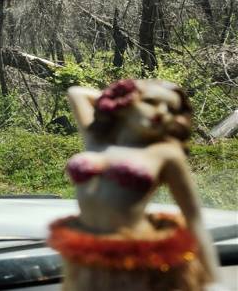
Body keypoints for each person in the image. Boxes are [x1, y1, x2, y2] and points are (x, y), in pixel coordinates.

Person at [49, 79, 218, 291]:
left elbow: (194, 218)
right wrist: (124, 94)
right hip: (87, 256)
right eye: (150, 102)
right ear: (124, 105)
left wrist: (212, 279)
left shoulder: (165, 153)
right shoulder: (96, 139)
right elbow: (76, 92)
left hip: (140, 258)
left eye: (171, 109)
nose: (162, 112)